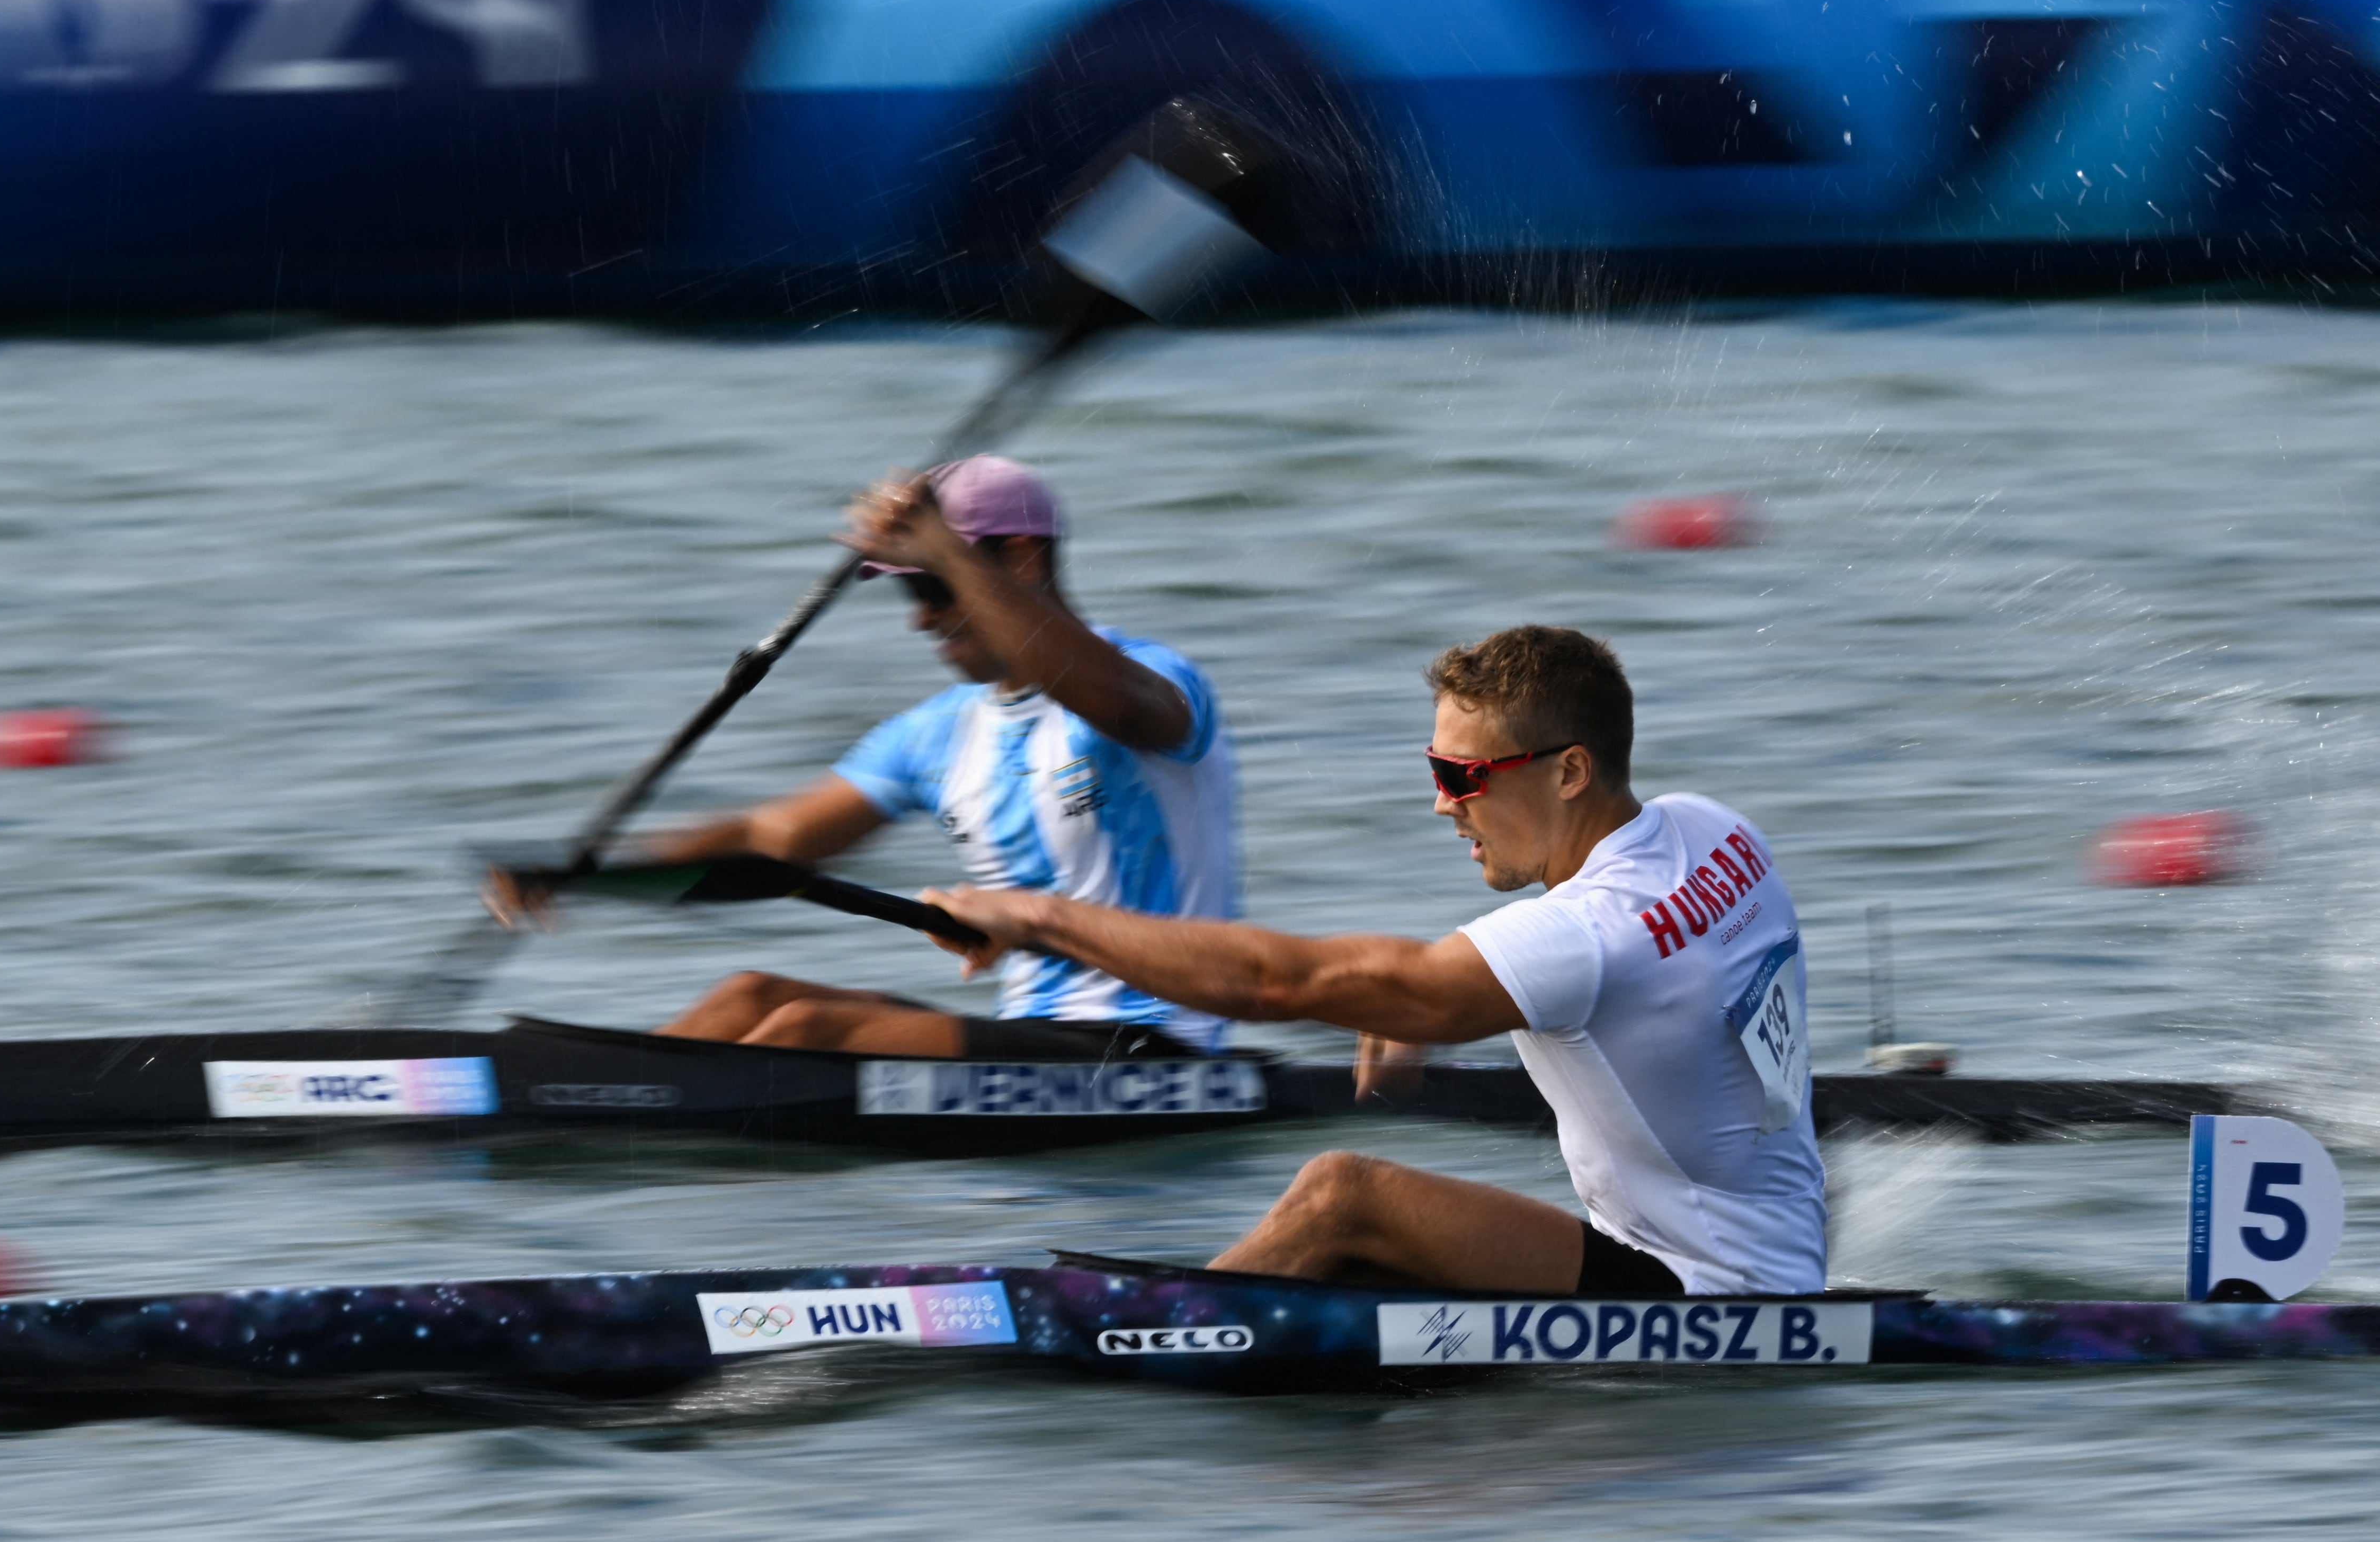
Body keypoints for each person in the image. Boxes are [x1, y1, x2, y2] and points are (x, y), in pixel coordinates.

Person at [924, 625, 1826, 1297]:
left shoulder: (1585, 934)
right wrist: (1417, 1001)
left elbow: (1284, 983)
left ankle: (1134, 1339)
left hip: (1709, 1294)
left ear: (1569, 771)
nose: (1443, 805)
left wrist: (1039, 916)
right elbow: (1617, 980)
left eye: (1464, 776)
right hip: (1777, 1248)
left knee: (1341, 1194)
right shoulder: (1713, 828)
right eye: (1436, 769)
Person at [627, 456, 1239, 1059]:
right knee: (749, 997)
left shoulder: (1153, 677)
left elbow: (1115, 702)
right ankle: (602, 1104)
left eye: (931, 587)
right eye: (909, 590)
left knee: (813, 1033)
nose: (920, 619)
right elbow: (765, 837)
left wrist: (947, 551)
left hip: (1154, 1043)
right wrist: (568, 872)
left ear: (1023, 558)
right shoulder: (936, 732)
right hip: (1034, 1033)